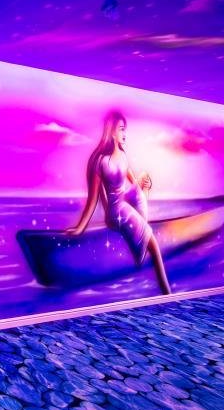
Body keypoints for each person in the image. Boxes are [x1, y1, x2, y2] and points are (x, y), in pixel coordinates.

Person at [66, 111, 171, 294]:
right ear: (112, 131)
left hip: (124, 203)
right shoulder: (100, 161)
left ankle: (140, 225)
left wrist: (145, 185)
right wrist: (80, 228)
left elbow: (134, 185)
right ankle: (167, 292)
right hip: (116, 212)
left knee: (143, 180)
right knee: (153, 244)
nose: (124, 133)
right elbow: (93, 199)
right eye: (121, 129)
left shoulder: (122, 155)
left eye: (125, 129)